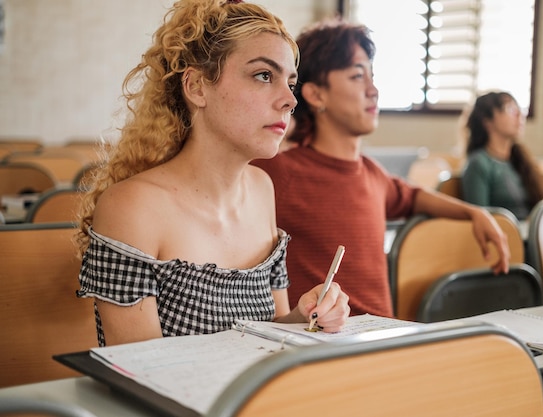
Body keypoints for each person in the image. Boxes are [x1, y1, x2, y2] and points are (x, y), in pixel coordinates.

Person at [74, 0, 349, 347]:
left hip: (253, 397)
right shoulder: (131, 207)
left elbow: (272, 330)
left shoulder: (263, 189)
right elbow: (140, 370)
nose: (289, 100)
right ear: (197, 88)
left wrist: (307, 315)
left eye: (290, 83)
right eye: (264, 76)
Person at [251, 19, 510, 318]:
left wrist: (474, 213)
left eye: (372, 77)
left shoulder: (372, 174)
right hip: (322, 349)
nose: (373, 90)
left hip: (385, 343)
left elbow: (412, 196)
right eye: (357, 76)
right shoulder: (278, 172)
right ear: (316, 94)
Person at [461, 91, 543, 220]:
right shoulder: (478, 164)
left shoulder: (519, 159)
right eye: (510, 109)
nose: (519, 115)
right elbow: (481, 219)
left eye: (519, 109)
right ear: (488, 122)